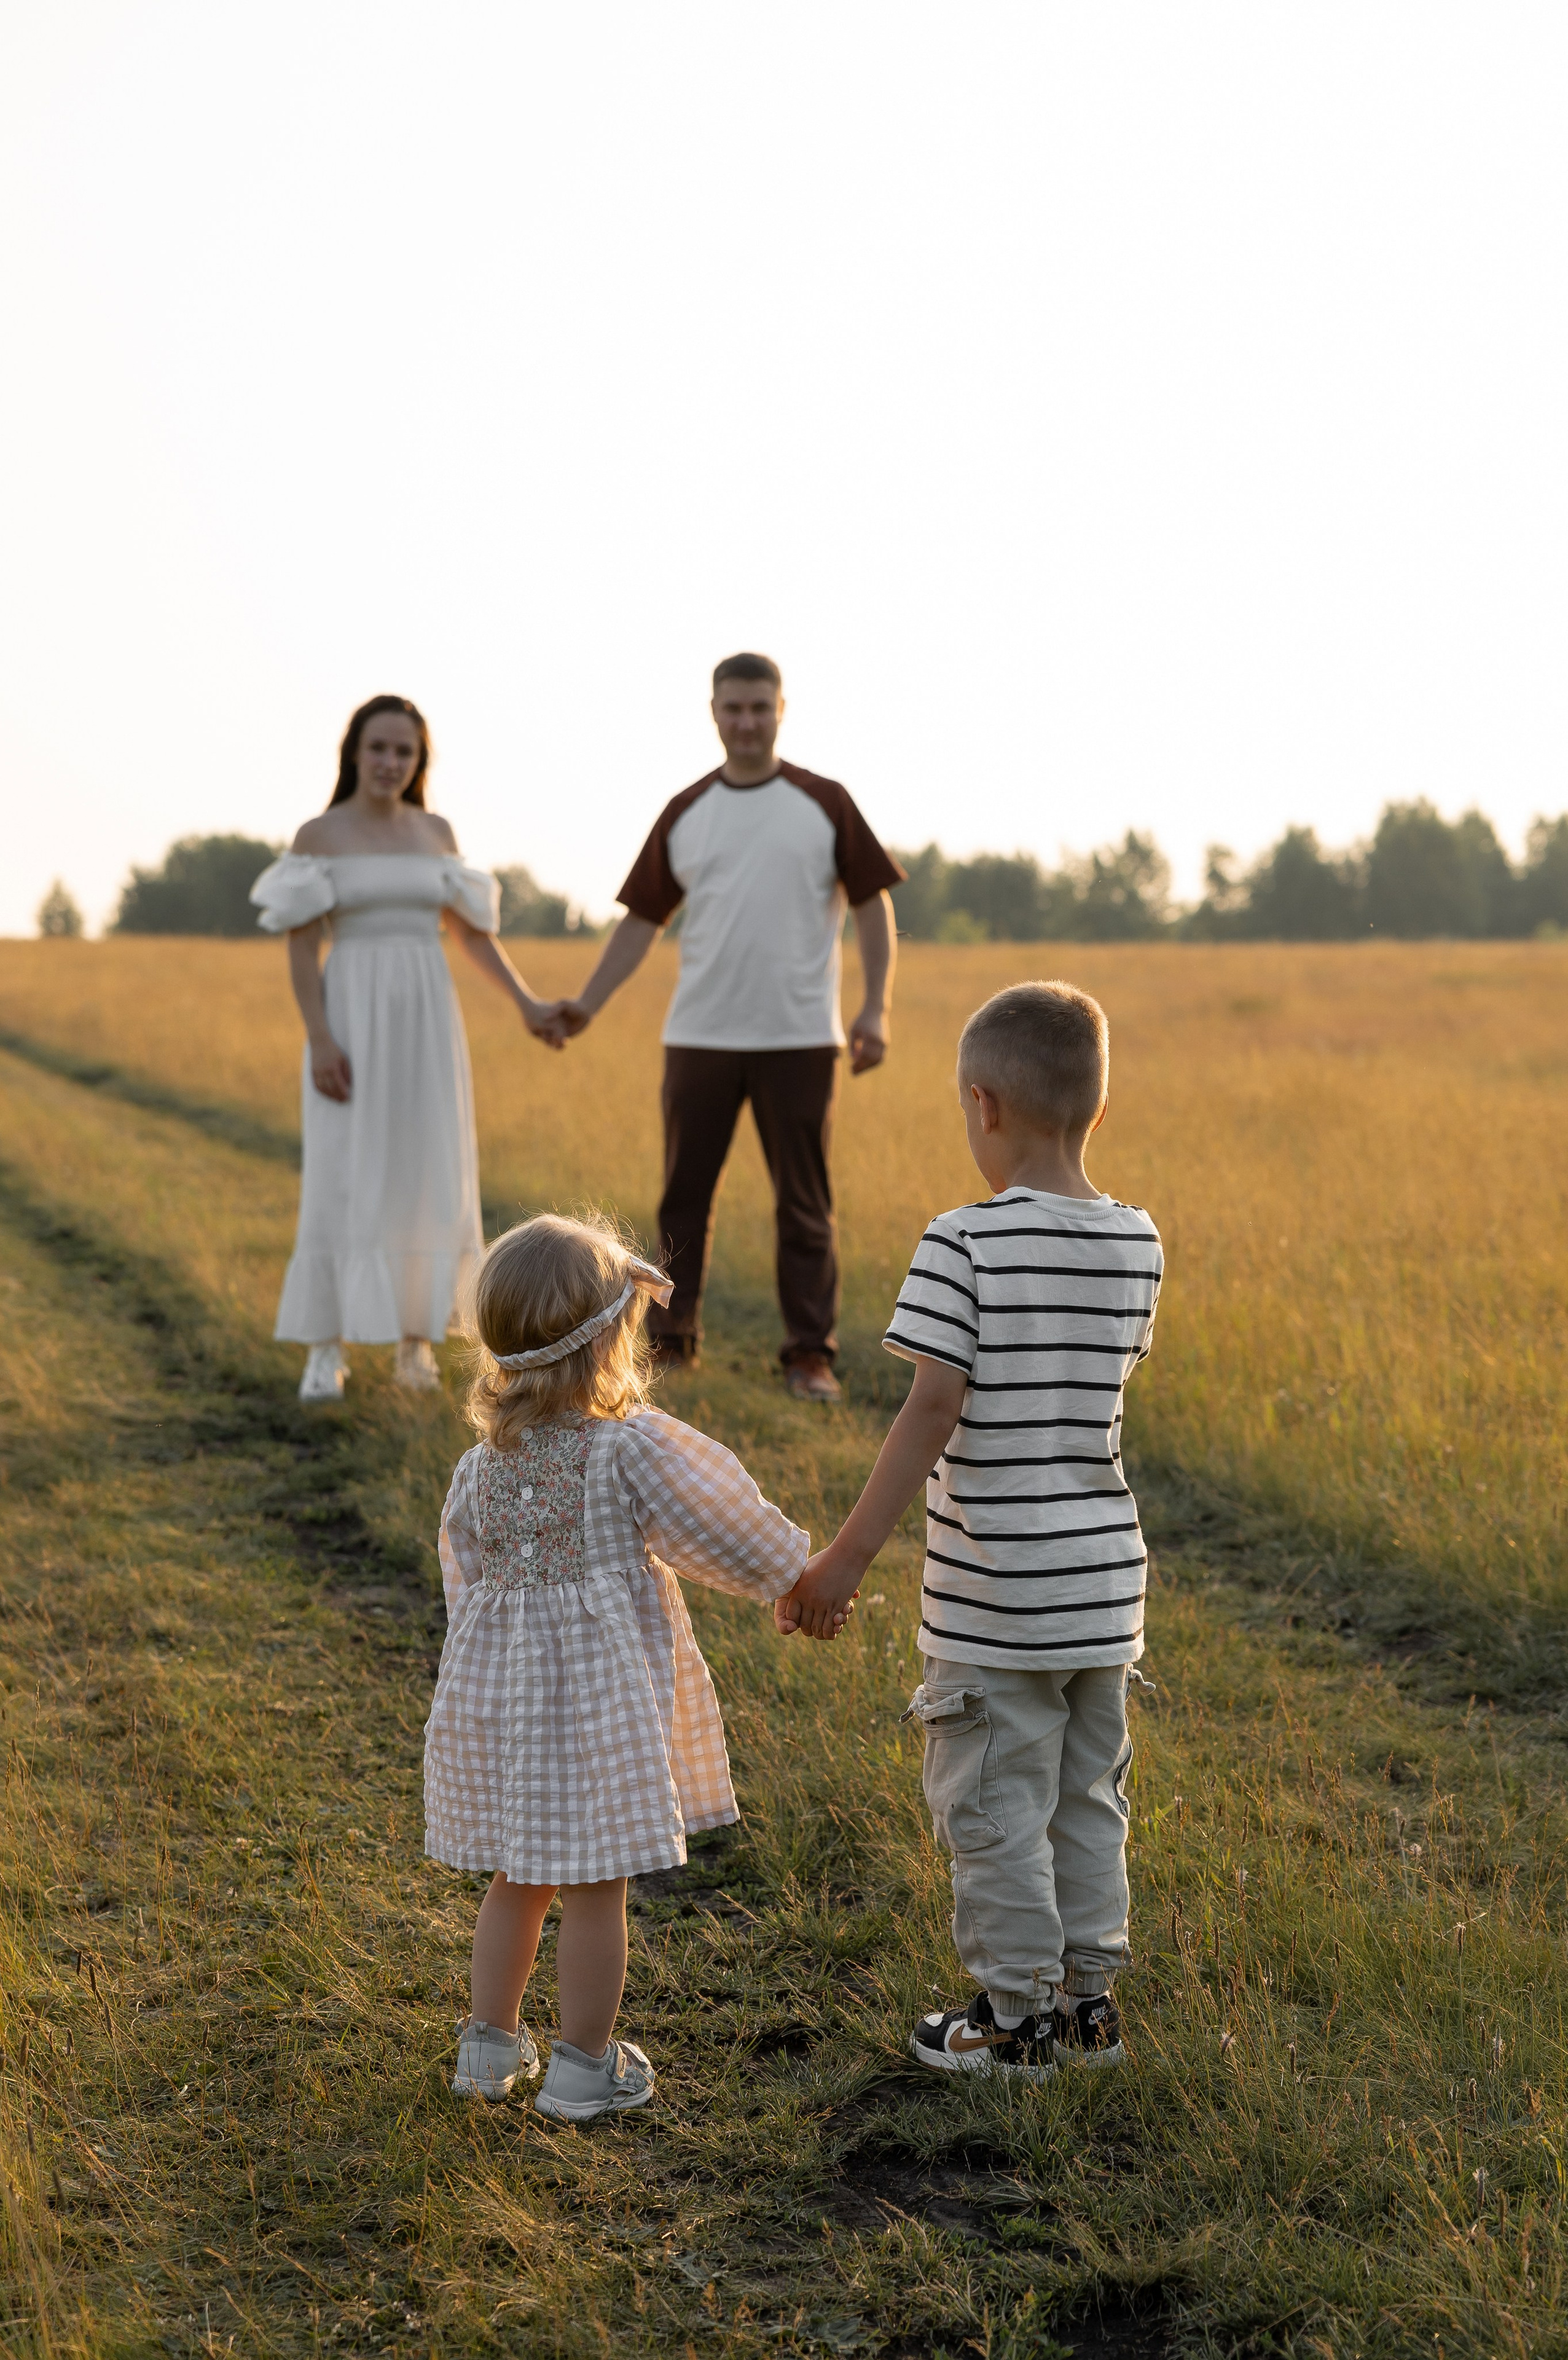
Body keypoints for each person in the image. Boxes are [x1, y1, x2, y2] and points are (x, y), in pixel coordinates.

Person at [777, 981, 1164, 2079]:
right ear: (1092, 1104)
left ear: (983, 1105)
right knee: (1088, 1806)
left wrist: (844, 1559)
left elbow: (932, 1409)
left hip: (998, 1598)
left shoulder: (964, 1242)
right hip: (1101, 1594)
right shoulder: (1138, 1242)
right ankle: (1090, 2012)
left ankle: (1015, 2022)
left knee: (990, 1808)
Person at [425, 1212, 823, 2120]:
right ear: (610, 1340)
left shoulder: (477, 1470)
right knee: (596, 1886)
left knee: (519, 1876)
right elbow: (720, 1513)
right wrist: (791, 1575)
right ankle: (582, 2067)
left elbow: (469, 1584)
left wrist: (483, 1686)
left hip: (514, 1703)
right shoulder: (627, 1448)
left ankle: (487, 2051)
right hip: (600, 1706)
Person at [555, 653, 904, 1401]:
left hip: (800, 1037)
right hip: (700, 1037)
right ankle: (671, 1346)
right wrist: (587, 1002)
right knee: (683, 1199)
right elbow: (640, 922)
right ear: (712, 713)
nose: (746, 722)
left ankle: (809, 1356)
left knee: (804, 1205)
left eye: (759, 708)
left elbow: (873, 904)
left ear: (783, 709)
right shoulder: (687, 810)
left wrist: (874, 1006)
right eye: (732, 709)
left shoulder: (824, 802)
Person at [251, 695, 565, 1403]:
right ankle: (325, 1349)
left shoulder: (436, 832)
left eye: (405, 752)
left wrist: (526, 1004)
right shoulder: (319, 834)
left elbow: (472, 935)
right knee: (341, 1168)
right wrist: (321, 1038)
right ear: (353, 754)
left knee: (430, 1167)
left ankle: (415, 1345)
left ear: (419, 762)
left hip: (427, 1018)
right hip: (350, 1018)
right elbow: (303, 951)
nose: (391, 763)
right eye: (379, 749)